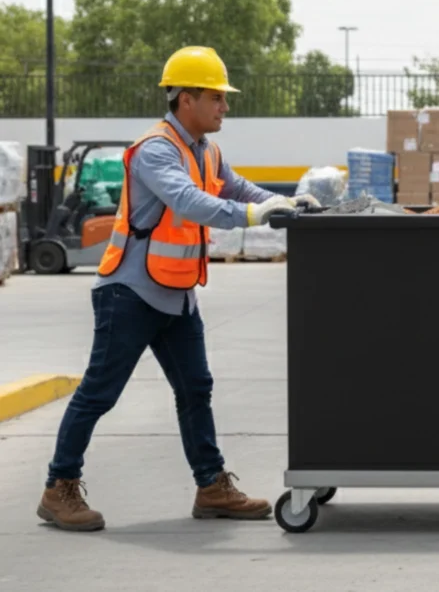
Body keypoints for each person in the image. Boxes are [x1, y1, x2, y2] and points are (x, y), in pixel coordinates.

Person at [37, 46, 320, 532]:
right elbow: (191, 202)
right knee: (99, 392)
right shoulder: (156, 149)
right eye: (217, 97)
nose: (225, 107)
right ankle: (57, 488)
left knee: (196, 390)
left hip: (177, 292)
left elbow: (236, 187)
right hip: (129, 293)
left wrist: (284, 201)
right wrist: (258, 216)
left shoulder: (206, 150)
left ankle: (211, 486)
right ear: (185, 98)